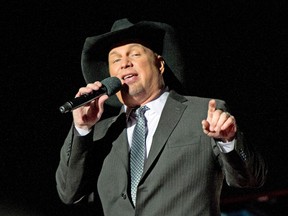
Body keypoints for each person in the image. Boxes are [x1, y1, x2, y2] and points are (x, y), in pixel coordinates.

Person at [55, 18, 267, 216]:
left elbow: (251, 179)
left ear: (160, 64)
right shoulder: (101, 132)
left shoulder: (203, 112)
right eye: (115, 60)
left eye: (135, 54)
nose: (125, 63)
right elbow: (69, 192)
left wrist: (228, 141)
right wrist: (82, 129)